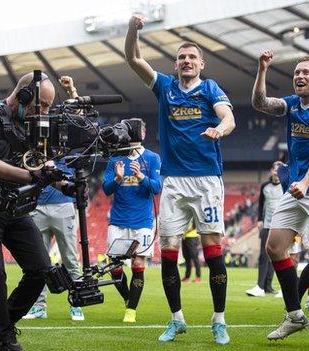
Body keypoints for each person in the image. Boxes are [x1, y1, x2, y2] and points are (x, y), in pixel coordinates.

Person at [124, 15, 235, 344]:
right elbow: (133, 58)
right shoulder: (164, 87)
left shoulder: (210, 88)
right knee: (169, 250)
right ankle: (177, 320)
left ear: (201, 63)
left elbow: (228, 116)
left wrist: (220, 129)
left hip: (206, 182)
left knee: (212, 249)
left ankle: (219, 320)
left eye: (192, 57)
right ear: (175, 65)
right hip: (173, 181)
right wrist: (133, 30)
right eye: (181, 57)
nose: (186, 61)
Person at [0, 72, 80, 350]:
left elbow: (42, 164)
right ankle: (2, 339)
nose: (46, 112)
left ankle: (3, 324)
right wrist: (29, 176)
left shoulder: (33, 125)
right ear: (23, 96)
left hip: (13, 207)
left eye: (49, 106)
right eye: (43, 105)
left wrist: (64, 185)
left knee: (41, 270)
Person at [252, 49, 309, 348]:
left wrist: (305, 182)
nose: (300, 76)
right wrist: (262, 69)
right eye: (296, 73)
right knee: (275, 247)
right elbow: (260, 103)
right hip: (298, 187)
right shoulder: (292, 105)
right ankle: (295, 315)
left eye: (306, 72)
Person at [22, 76, 84, 322]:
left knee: (70, 258)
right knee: (39, 261)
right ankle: (39, 306)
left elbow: (79, 115)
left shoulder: (64, 136)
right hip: (37, 205)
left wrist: (71, 89)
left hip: (61, 205)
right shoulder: (34, 134)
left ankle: (77, 303)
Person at [102, 117, 161, 323]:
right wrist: (118, 179)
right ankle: (129, 299)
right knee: (114, 268)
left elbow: (157, 188)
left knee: (138, 264)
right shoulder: (115, 159)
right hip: (118, 221)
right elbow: (106, 189)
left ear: (143, 135)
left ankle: (131, 311)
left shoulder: (152, 158)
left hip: (142, 222)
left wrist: (141, 177)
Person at [246, 161, 284, 297]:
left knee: (276, 255)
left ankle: (268, 286)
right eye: (275, 170)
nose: (277, 173)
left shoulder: (285, 186)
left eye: (280, 170)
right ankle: (260, 286)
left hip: (280, 226)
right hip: (267, 225)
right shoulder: (265, 186)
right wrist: (259, 220)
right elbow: (261, 204)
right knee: (264, 255)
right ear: (271, 171)